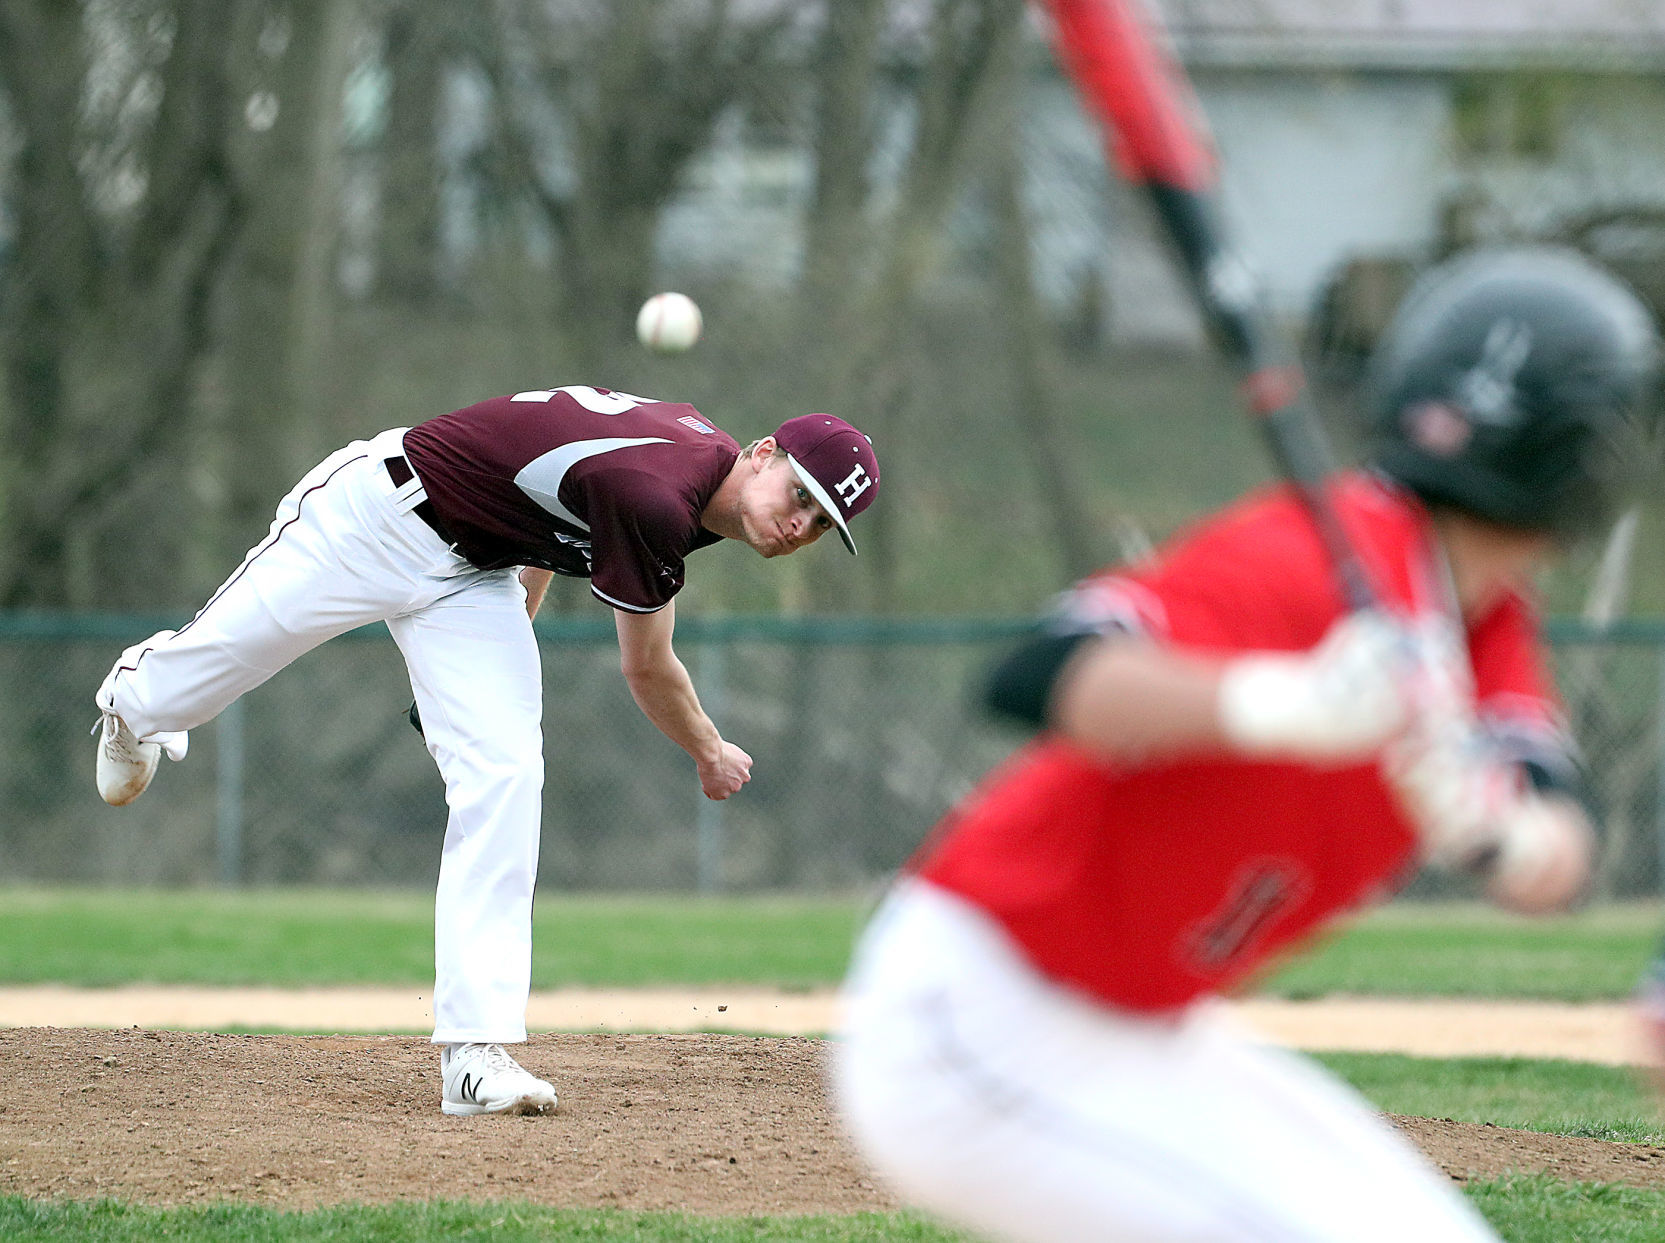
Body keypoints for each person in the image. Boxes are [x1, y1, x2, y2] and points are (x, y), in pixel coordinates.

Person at [834, 247, 1657, 1242]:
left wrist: (1500, 831)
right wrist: (1282, 704)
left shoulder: (1478, 616)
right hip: (987, 1021)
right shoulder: (1315, 555)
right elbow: (1045, 674)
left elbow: (1557, 861)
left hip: (1130, 1029)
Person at [92, 384, 879, 1116]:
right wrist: (709, 749)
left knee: (504, 774)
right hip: (375, 516)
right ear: (765, 452)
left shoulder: (692, 463)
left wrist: (483, 670)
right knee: (200, 678)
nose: (797, 525)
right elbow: (646, 665)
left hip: (472, 578)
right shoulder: (658, 494)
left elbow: (550, 515)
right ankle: (133, 700)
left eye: (818, 524)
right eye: (799, 496)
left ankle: (474, 1053)